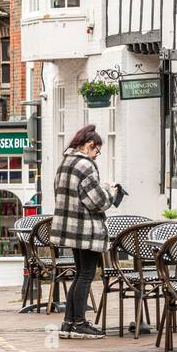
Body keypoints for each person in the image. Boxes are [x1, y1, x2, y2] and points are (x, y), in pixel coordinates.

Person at [49, 125, 118, 340]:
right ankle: (79, 323)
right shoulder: (85, 165)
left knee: (79, 275)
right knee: (86, 275)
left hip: (69, 229)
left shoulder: (64, 163)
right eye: (97, 150)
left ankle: (68, 323)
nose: (97, 155)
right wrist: (111, 192)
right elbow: (96, 202)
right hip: (86, 229)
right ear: (89, 145)